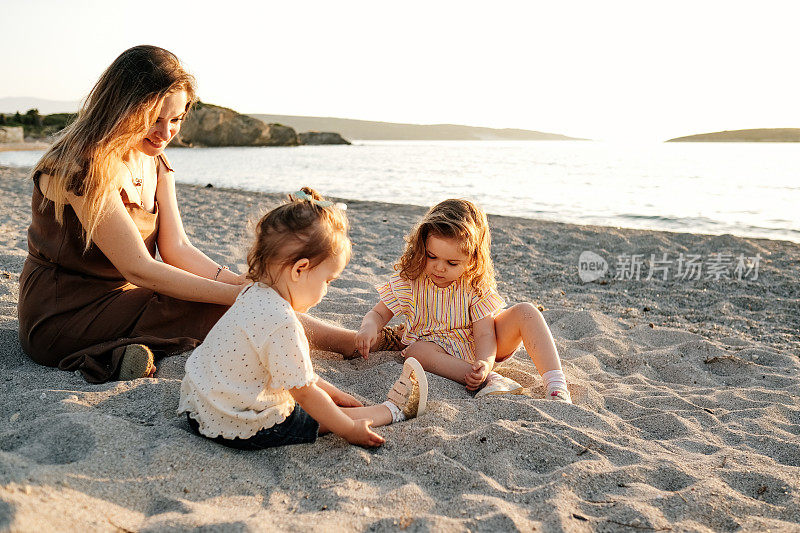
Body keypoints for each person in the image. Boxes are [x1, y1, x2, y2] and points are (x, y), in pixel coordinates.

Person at [17, 45, 399, 383]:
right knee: (218, 309)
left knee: (229, 302)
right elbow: (138, 267)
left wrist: (242, 283)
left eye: (177, 119)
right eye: (154, 118)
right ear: (123, 107)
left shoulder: (155, 161)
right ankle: (349, 343)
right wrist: (240, 296)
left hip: (127, 298)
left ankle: (120, 356)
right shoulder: (81, 166)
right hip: (62, 313)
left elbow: (178, 248)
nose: (166, 132)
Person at [178, 188, 428, 449]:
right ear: (300, 269)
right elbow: (305, 393)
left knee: (322, 401)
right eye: (327, 281)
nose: (326, 289)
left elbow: (288, 367)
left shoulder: (251, 294)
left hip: (202, 408)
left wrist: (334, 392)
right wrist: (348, 430)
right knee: (322, 416)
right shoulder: (282, 322)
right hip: (240, 423)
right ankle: (392, 411)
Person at [355, 199, 572, 402]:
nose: (440, 268)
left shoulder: (472, 284)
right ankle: (488, 380)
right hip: (438, 352)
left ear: (471, 259)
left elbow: (485, 333)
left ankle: (556, 385)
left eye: (452, 262)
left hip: (480, 347)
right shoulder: (410, 281)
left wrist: (485, 363)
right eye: (432, 257)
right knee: (415, 352)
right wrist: (368, 328)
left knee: (526, 311)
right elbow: (379, 313)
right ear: (422, 248)